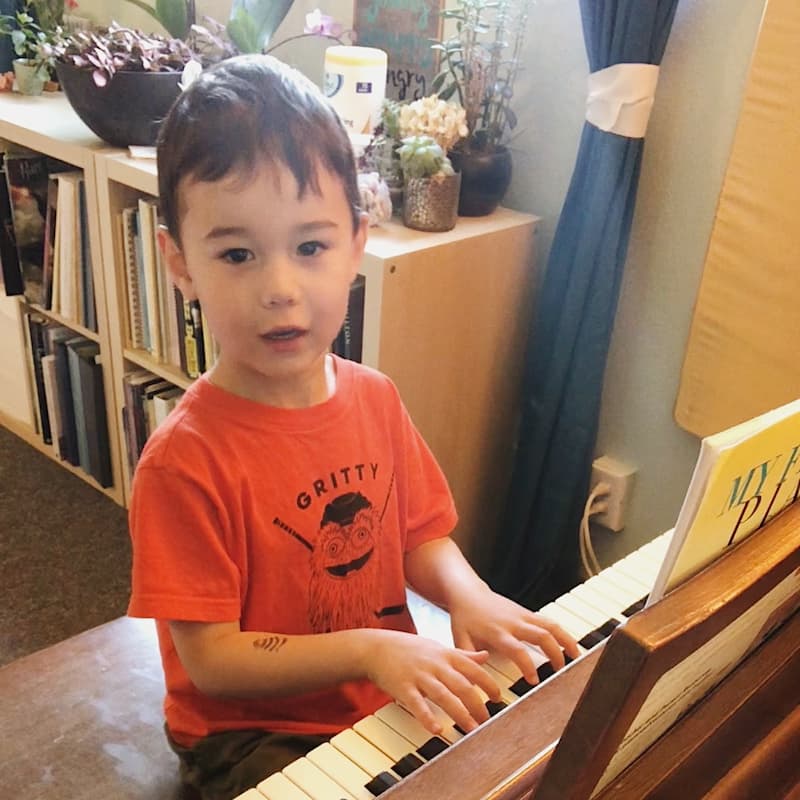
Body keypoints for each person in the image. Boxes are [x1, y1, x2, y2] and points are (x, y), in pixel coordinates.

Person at [127, 54, 579, 800]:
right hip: (253, 730)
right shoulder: (183, 461)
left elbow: (420, 536)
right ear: (180, 264)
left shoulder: (375, 399)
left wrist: (468, 594)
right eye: (237, 254)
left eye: (310, 247)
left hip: (376, 690)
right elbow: (211, 661)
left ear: (355, 244)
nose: (280, 289)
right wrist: (370, 650)